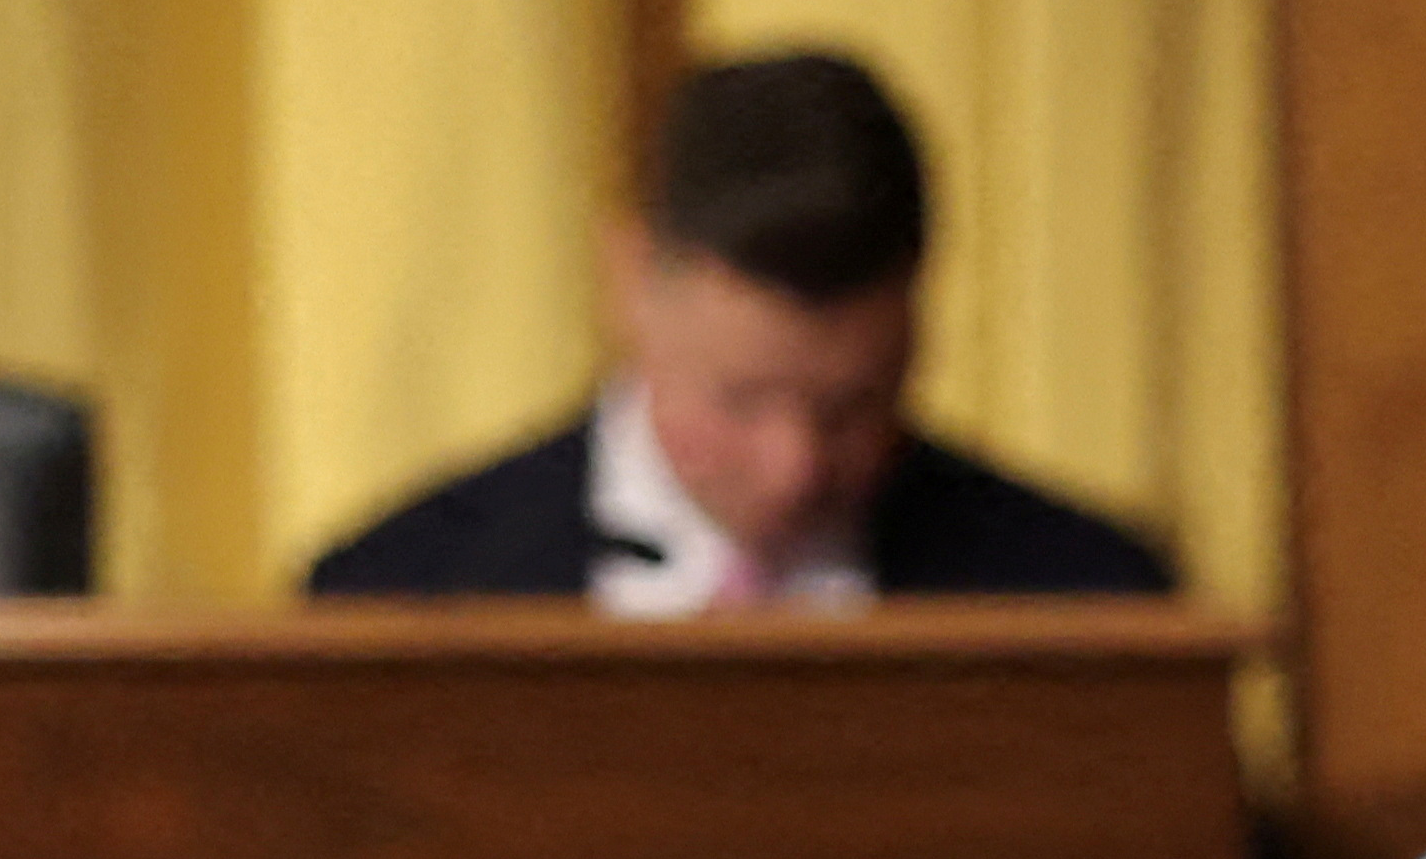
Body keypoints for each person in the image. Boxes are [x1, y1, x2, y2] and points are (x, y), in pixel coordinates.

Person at [306, 45, 1176, 607]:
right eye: (740, 400)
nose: (793, 469)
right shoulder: (395, 597)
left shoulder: (1086, 597)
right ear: (630, 283)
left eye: (852, 410)